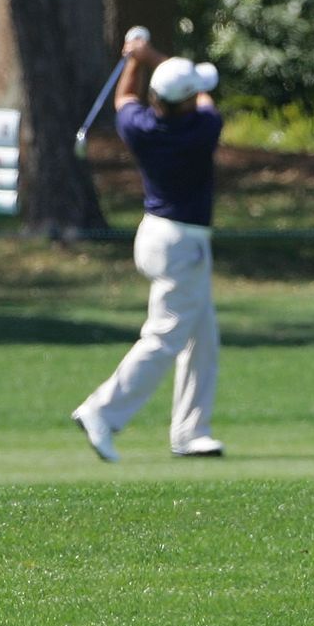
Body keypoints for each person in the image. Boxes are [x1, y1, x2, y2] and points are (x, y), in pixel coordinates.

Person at [70, 32, 226, 463]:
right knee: (164, 337)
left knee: (202, 339)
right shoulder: (203, 127)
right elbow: (206, 95)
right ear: (188, 100)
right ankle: (102, 410)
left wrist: (134, 60)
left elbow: (124, 97)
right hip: (184, 245)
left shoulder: (138, 126)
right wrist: (151, 54)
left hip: (154, 235)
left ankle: (191, 432)